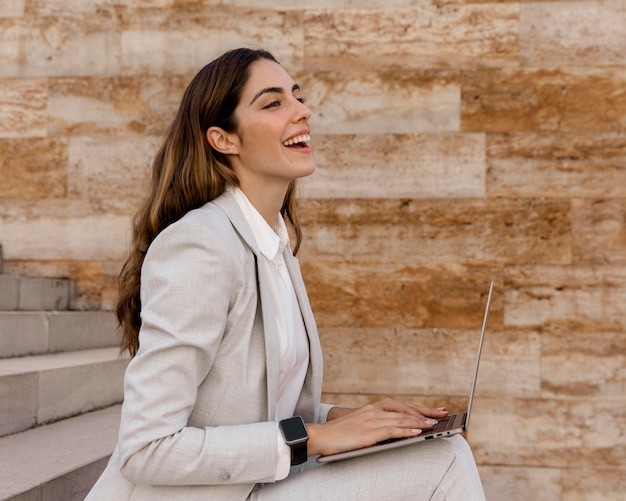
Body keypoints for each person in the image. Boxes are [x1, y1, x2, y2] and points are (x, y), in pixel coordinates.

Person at [86, 47, 486, 500]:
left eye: (297, 97)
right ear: (224, 139)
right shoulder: (201, 245)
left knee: (444, 449)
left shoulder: (272, 245)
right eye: (274, 103)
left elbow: (259, 404)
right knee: (445, 462)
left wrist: (353, 419)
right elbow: (147, 447)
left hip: (257, 485)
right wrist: (315, 437)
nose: (302, 111)